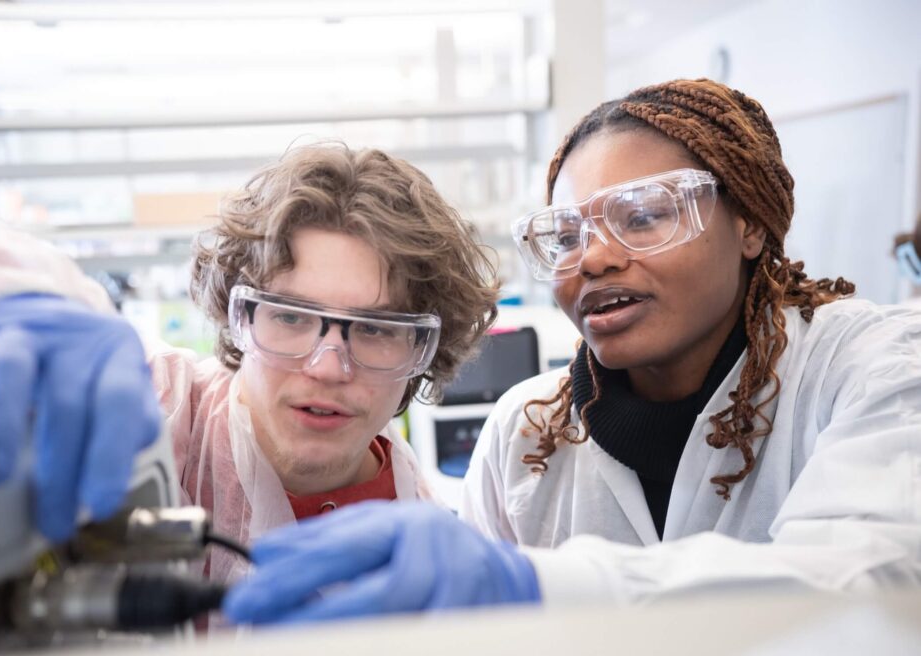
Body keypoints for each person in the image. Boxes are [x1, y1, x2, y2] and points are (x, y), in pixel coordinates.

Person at [217, 78, 921, 625]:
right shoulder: (524, 434)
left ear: (751, 224)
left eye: (644, 215)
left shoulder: (871, 366)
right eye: (566, 236)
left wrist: (536, 587)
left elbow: (874, 580)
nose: (596, 258)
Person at [0, 143, 499, 585]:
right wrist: (31, 296)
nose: (328, 367)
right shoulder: (153, 410)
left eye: (377, 329)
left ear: (425, 352)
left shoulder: (423, 533)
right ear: (239, 320)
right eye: (290, 317)